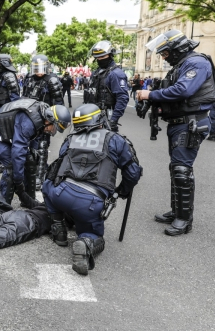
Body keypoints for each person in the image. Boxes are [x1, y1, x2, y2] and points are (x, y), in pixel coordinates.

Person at [42, 103, 142, 275]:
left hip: (61, 195)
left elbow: (55, 170)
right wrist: (121, 192)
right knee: (93, 235)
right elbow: (133, 173)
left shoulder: (70, 139)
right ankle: (86, 243)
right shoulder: (116, 140)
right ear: (100, 120)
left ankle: (59, 230)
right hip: (90, 204)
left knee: (46, 185)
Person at [137, 29, 215, 236]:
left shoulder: (196, 63)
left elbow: (184, 90)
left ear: (178, 48)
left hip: (191, 123)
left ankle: (184, 219)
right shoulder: (182, 64)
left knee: (182, 170)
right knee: (176, 168)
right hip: (180, 123)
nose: (164, 57)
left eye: (165, 53)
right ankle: (176, 211)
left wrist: (150, 94)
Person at [0, 98, 72, 204]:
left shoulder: (42, 116)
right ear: (49, 120)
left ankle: (28, 201)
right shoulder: (28, 123)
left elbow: (33, 140)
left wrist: (33, 156)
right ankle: (3, 204)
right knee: (11, 167)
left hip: (14, 131)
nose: (52, 131)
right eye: (54, 127)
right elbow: (18, 151)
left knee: (31, 160)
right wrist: (18, 181)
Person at [21, 54, 65, 190]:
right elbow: (24, 96)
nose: (39, 71)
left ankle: (39, 178)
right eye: (36, 68)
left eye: (41, 68)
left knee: (42, 147)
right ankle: (29, 175)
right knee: (28, 148)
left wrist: (55, 121)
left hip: (45, 119)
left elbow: (59, 103)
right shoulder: (29, 78)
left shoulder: (52, 80)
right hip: (29, 117)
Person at [83, 41, 129, 132]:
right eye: (98, 57)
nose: (100, 59)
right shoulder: (96, 73)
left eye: (103, 56)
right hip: (92, 117)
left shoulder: (115, 74)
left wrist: (113, 120)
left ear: (110, 55)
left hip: (106, 118)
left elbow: (122, 98)